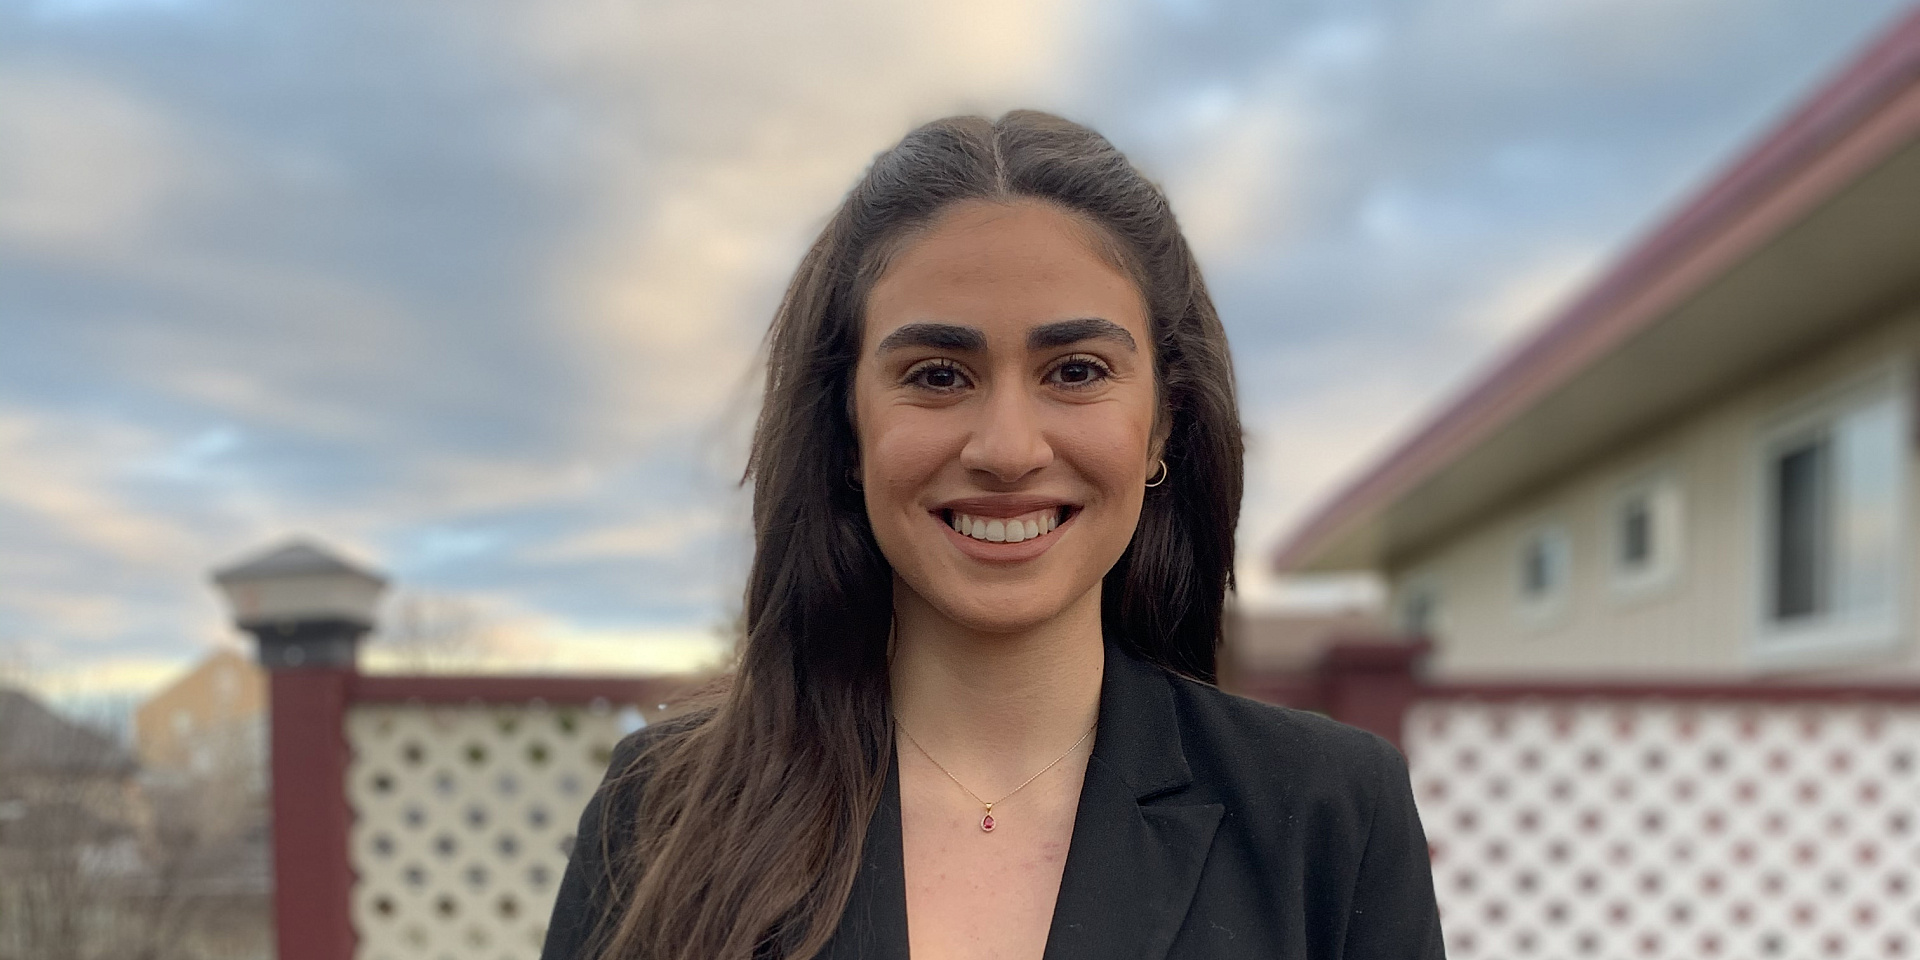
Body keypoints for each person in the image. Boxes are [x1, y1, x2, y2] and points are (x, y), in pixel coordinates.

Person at [541, 110, 1444, 960]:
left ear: (1164, 422)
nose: (1008, 449)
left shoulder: (1328, 815)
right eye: (937, 374)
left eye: (1078, 370)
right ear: (846, 428)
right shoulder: (659, 812)